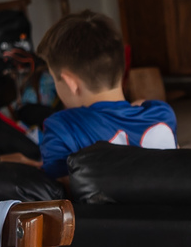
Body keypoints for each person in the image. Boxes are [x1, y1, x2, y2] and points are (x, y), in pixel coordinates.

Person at [37, 10, 177, 179]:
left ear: (71, 83)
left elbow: (57, 197)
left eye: (54, 78)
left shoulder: (60, 128)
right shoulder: (162, 113)